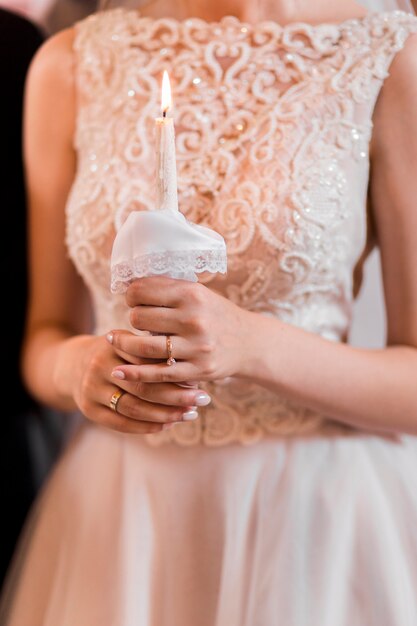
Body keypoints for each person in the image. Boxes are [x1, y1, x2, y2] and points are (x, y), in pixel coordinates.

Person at [1, 0, 417, 623]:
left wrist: (252, 344)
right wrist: (79, 369)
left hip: (312, 517)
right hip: (126, 513)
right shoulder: (68, 65)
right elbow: (43, 337)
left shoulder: (387, 58)